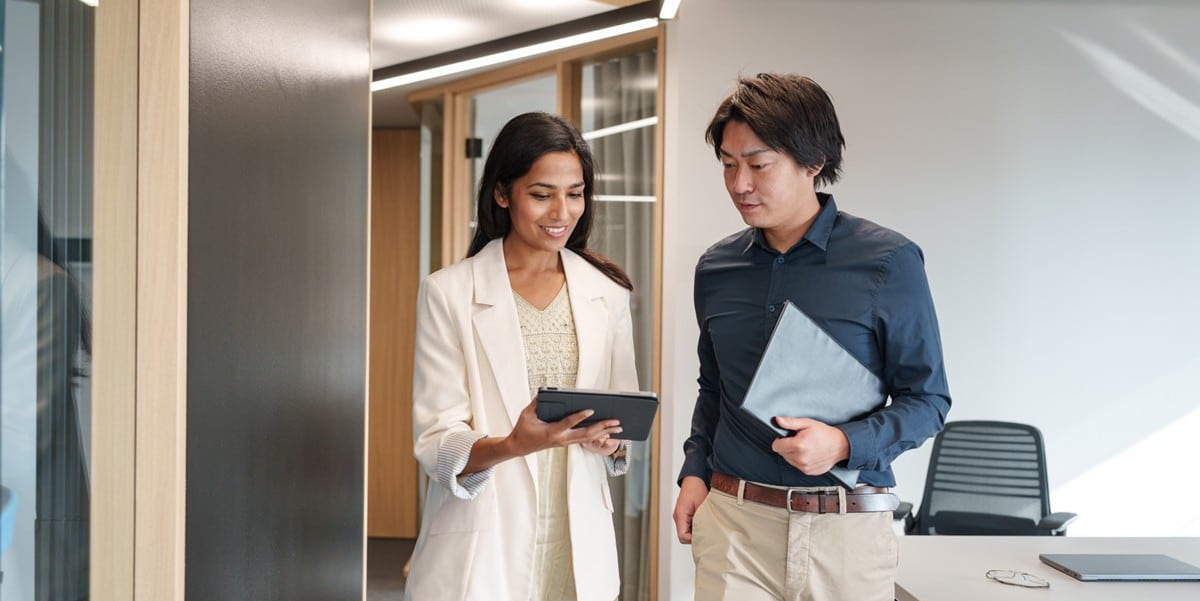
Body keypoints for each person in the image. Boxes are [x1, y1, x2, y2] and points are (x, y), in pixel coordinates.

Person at [672, 73, 952, 601]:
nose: (739, 184)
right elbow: (714, 391)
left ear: (814, 161)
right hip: (734, 528)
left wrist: (844, 443)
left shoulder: (889, 262)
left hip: (846, 533)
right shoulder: (715, 268)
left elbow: (929, 400)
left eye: (758, 164)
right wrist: (694, 473)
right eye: (728, 165)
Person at [405, 111, 638, 601]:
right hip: (483, 546)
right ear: (502, 193)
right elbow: (436, 441)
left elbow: (624, 423)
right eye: (541, 194)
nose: (562, 212)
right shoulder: (450, 292)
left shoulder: (607, 293)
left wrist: (610, 443)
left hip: (578, 547)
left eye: (575, 193)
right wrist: (514, 443)